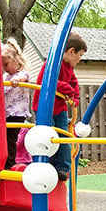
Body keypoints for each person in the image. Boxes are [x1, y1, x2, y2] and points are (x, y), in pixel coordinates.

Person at [32, 32, 86, 182]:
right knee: (48, 136)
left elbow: (74, 84)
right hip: (44, 108)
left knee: (63, 137)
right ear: (71, 52)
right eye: (80, 55)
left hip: (60, 108)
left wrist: (75, 97)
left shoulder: (69, 67)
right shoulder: (53, 63)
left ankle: (63, 168)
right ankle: (46, 165)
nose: (80, 59)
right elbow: (49, 81)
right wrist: (69, 90)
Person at [1, 38, 31, 169]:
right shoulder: (5, 78)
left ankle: (9, 165)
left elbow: (24, 78)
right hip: (6, 114)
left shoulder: (22, 73)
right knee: (4, 140)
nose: (4, 68)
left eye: (6, 64)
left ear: (16, 60)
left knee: (10, 140)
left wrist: (17, 80)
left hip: (17, 113)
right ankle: (3, 163)